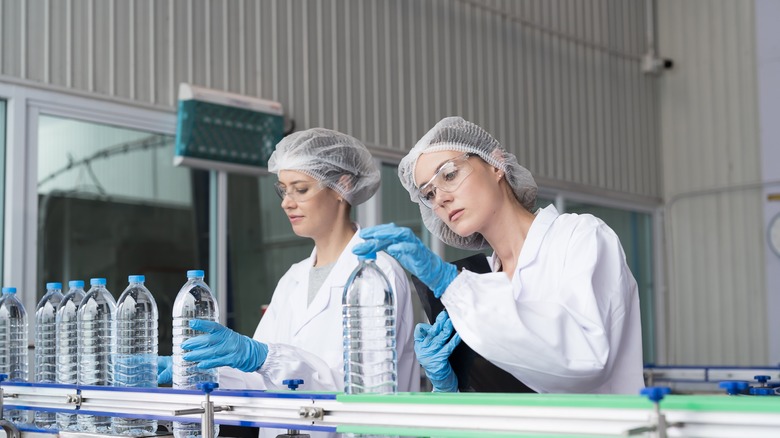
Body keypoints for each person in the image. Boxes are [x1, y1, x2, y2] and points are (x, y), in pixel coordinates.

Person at [354, 116, 644, 394]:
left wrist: (451, 285)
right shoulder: (481, 281)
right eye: (428, 194)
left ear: (496, 164)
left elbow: (587, 359)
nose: (440, 198)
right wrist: (450, 387)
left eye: (449, 174)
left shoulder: (581, 237)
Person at [159, 128, 419, 436]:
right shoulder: (293, 278)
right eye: (283, 190)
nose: (286, 202)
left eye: (301, 189)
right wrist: (195, 368)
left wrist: (262, 356)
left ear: (342, 186)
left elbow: (363, 390)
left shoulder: (377, 273)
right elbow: (259, 379)